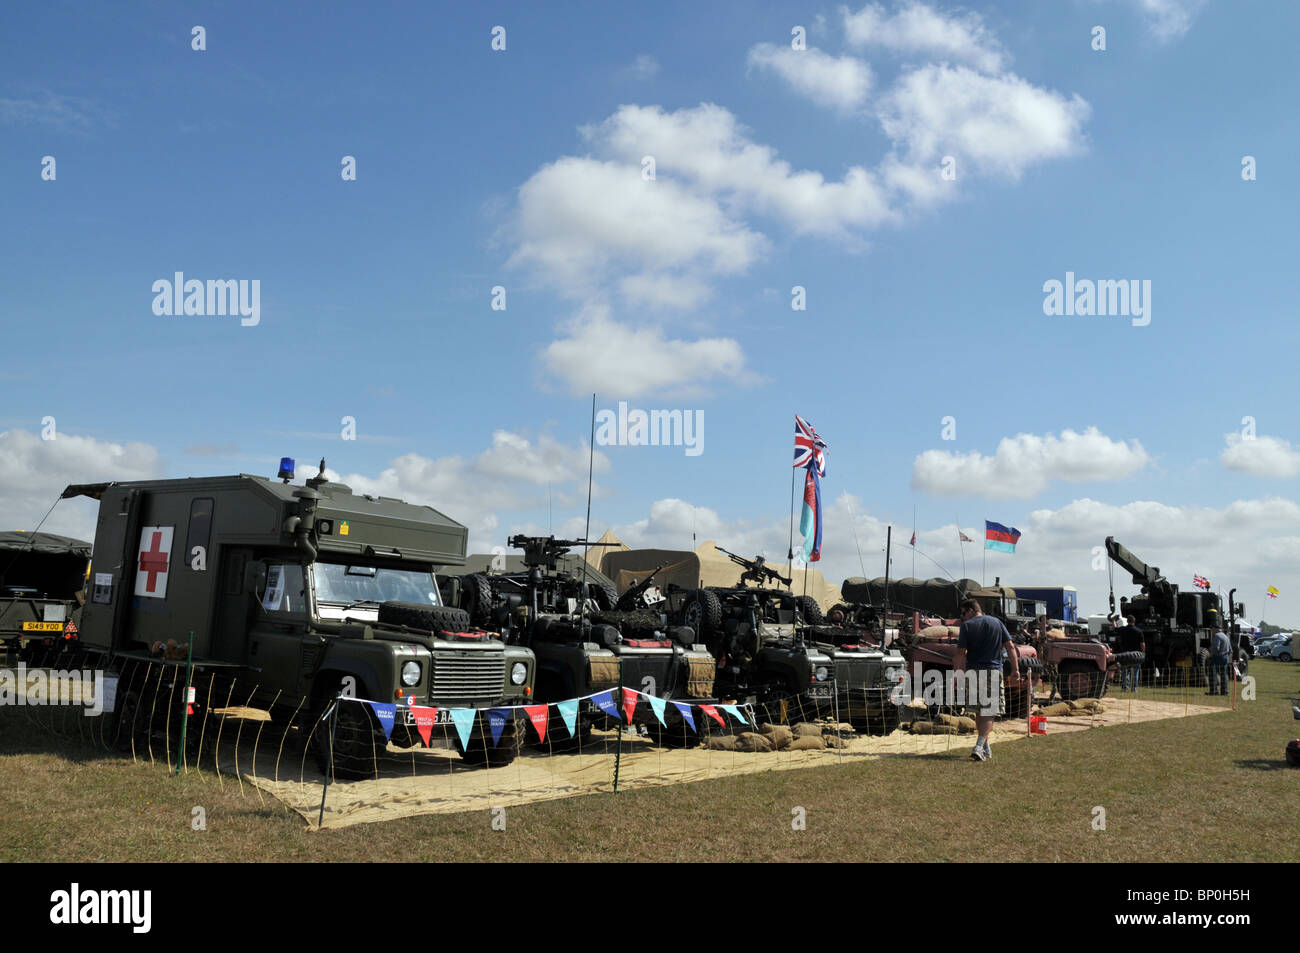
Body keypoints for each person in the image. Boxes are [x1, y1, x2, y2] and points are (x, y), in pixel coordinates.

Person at [954, 597, 1019, 762]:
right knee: (988, 711)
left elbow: (961, 654)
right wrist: (1015, 669)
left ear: (970, 610)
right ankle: (983, 746)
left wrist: (959, 675)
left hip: (974, 672)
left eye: (963, 613)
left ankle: (980, 746)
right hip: (993, 671)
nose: (962, 617)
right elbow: (1010, 646)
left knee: (979, 710)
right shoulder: (996, 623)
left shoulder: (967, 626)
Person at [1115, 615, 1146, 693]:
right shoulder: (1139, 631)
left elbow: (1115, 628)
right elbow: (1142, 644)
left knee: (1125, 671)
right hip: (1136, 655)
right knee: (1135, 672)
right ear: (1134, 621)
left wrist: (1113, 620)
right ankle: (1134, 689)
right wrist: (1143, 652)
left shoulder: (1123, 630)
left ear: (1127, 621)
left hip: (1125, 654)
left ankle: (1125, 688)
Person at [1207, 627, 1231, 695]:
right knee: (1224, 674)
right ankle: (1225, 691)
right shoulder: (1226, 637)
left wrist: (1211, 655)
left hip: (1217, 657)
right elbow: (1230, 650)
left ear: (1215, 629)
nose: (1212, 631)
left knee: (1212, 673)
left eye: (1212, 629)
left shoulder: (1217, 636)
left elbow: (1216, 648)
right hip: (1225, 657)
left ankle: (1213, 691)